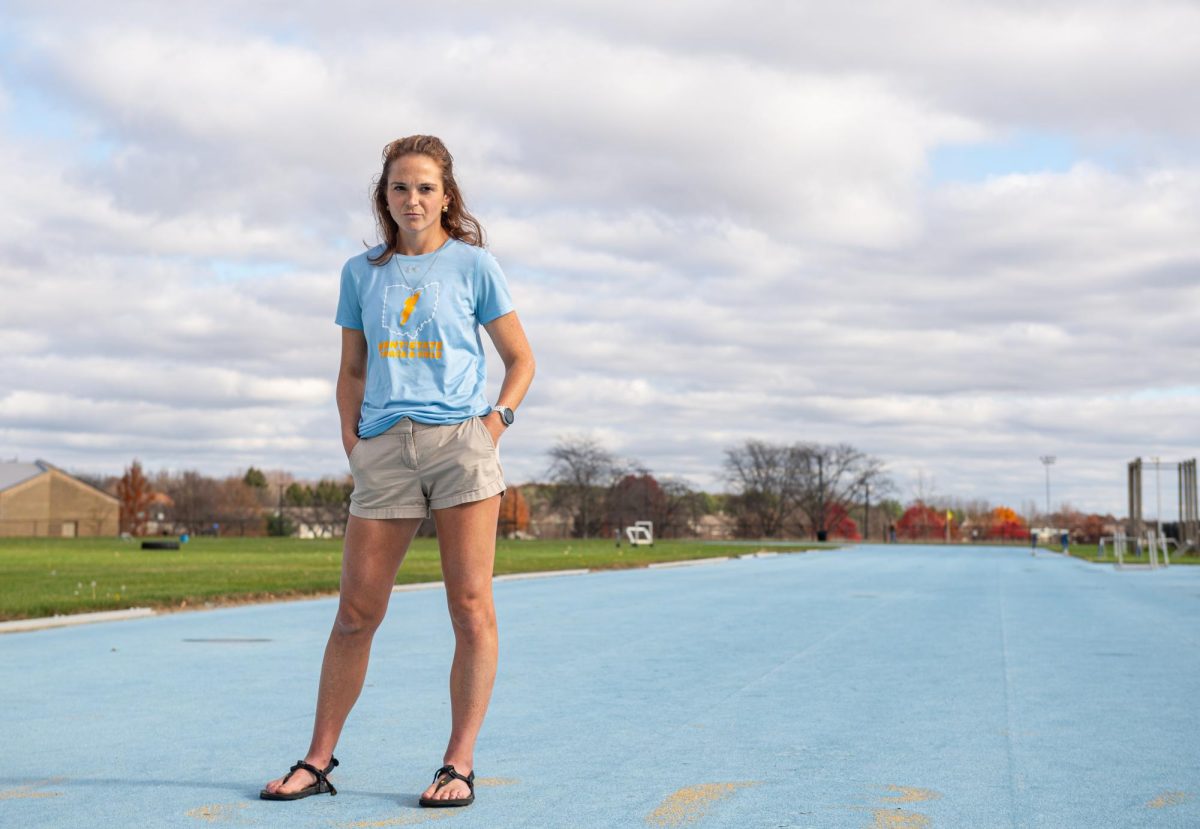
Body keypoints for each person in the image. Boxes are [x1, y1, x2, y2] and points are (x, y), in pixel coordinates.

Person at [260, 135, 535, 808]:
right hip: (384, 451)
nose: (412, 199)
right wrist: (355, 444)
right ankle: (318, 759)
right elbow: (351, 371)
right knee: (356, 612)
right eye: (399, 188)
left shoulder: (473, 266)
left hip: (461, 446)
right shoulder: (362, 274)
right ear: (384, 197)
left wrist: (493, 424)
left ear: (447, 197)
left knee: (470, 608)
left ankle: (458, 763)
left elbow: (521, 359)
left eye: (425, 188)